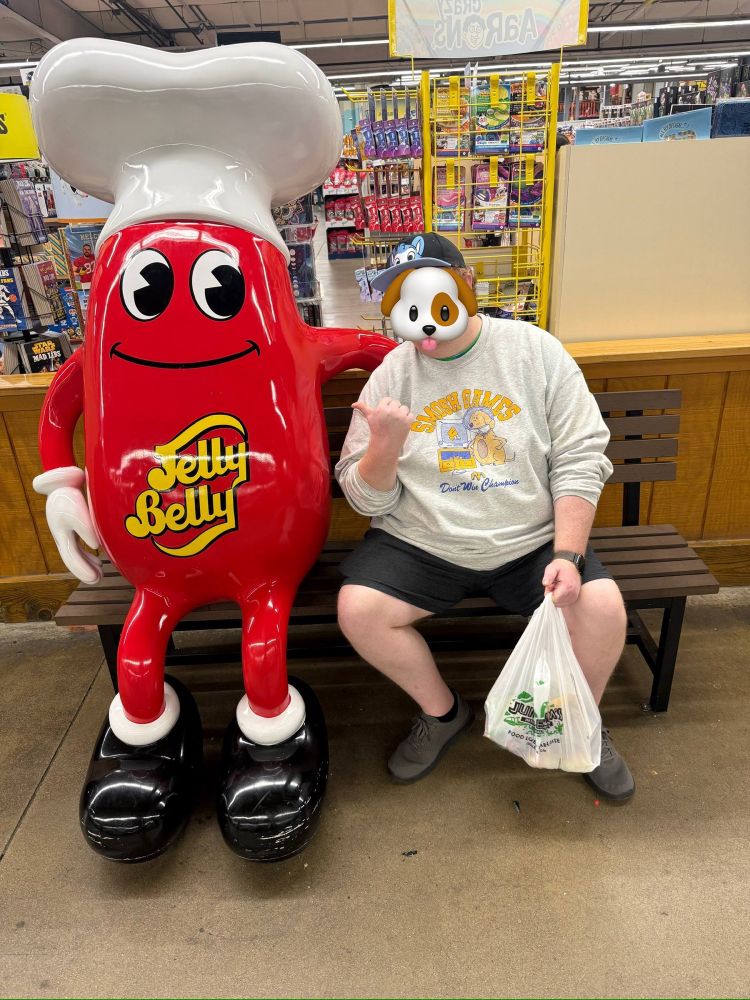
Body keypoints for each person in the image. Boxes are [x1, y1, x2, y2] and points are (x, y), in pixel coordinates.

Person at [335, 233, 634, 801]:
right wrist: (384, 449)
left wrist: (568, 555)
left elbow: (580, 457)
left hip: (529, 539)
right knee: (359, 610)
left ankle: (580, 722)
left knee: (601, 606)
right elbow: (364, 499)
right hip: (423, 542)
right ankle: (443, 713)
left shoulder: (534, 351)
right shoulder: (391, 374)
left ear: (466, 284)